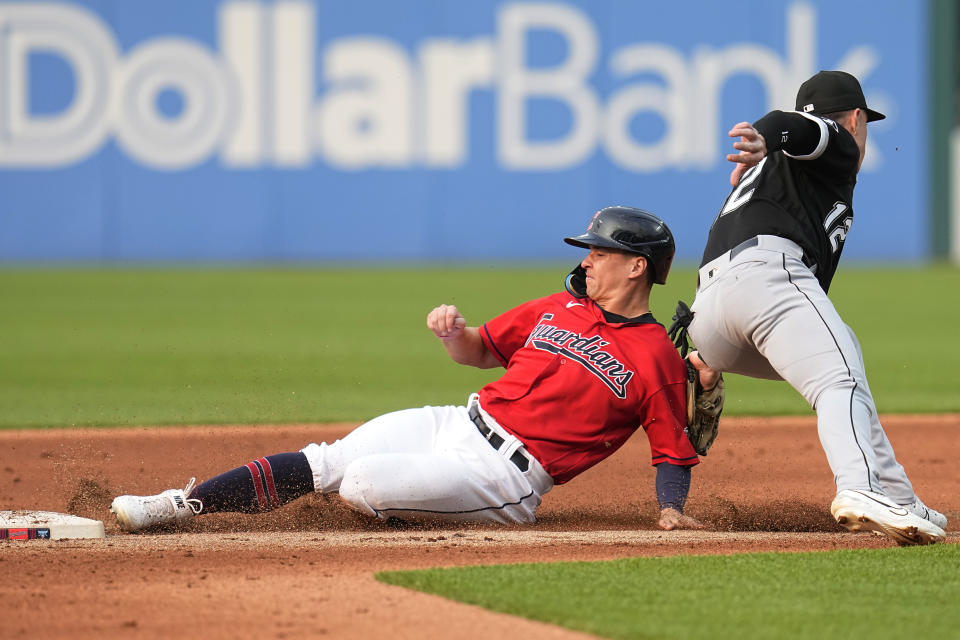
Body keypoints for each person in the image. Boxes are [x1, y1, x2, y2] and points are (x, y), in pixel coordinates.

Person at [111, 206, 705, 533]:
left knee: (364, 482)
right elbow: (479, 349)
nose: (589, 259)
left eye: (601, 251)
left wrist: (670, 510)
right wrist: (453, 334)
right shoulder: (555, 306)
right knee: (329, 460)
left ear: (637, 268)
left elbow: (672, 449)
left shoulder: (655, 356)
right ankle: (179, 506)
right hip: (455, 422)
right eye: (590, 250)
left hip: (506, 481)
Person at [680, 70, 947, 545]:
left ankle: (899, 497)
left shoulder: (780, 171)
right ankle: (858, 487)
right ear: (857, 119)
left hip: (709, 314)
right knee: (837, 377)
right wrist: (765, 134)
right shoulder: (839, 145)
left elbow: (793, 130)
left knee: (845, 366)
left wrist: (770, 143)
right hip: (766, 276)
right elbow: (794, 124)